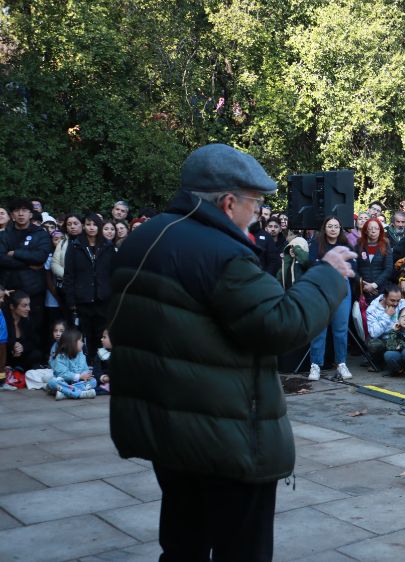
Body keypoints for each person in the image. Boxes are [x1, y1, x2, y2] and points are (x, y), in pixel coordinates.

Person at [109, 144, 355, 560]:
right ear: (228, 202)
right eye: (255, 202)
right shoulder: (221, 254)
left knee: (183, 542)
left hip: (169, 426)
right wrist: (326, 275)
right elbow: (281, 325)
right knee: (242, 550)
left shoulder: (145, 237)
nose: (258, 212)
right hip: (225, 435)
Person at [308, 215, 357, 381]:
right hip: (321, 290)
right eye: (330, 226)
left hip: (341, 289)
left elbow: (353, 265)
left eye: (336, 226)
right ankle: (315, 365)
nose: (333, 229)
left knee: (341, 329)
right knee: (319, 329)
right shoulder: (316, 243)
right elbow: (312, 263)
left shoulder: (345, 244)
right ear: (325, 228)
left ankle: (341, 363)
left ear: (340, 229)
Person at [63, 213, 116, 363]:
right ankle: (84, 365)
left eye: (94, 224)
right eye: (88, 224)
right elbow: (69, 275)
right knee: (84, 334)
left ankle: (100, 367)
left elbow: (113, 273)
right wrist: (71, 300)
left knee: (102, 334)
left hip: (103, 298)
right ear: (84, 226)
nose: (91, 228)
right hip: (82, 299)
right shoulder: (75, 245)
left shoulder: (107, 245)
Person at [0, 198, 53, 342]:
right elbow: (1, 258)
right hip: (9, 291)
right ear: (12, 215)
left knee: (35, 329)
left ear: (31, 214)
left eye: (24, 210)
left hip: (33, 290)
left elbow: (40, 257)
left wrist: (15, 253)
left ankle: (36, 361)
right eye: (17, 211)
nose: (21, 214)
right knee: (9, 329)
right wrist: (27, 262)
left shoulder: (40, 233)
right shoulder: (4, 235)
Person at [45, 327, 97, 400]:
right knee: (52, 382)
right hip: (64, 382)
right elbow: (62, 373)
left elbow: (85, 369)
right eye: (81, 341)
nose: (83, 343)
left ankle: (65, 394)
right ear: (73, 343)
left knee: (93, 381)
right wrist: (79, 376)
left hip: (78, 383)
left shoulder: (82, 355)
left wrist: (86, 375)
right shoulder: (61, 357)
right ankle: (81, 394)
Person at [356, 218, 393, 299]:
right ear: (365, 230)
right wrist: (363, 285)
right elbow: (354, 269)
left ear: (380, 231)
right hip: (362, 290)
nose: (373, 231)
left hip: (380, 289)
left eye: (376, 228)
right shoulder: (359, 244)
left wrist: (374, 285)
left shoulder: (386, 244)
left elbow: (389, 269)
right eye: (370, 228)